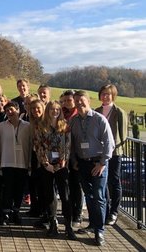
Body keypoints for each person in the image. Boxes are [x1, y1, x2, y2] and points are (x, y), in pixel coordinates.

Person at [70, 90, 115, 246]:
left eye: (81, 100)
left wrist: (102, 163)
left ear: (88, 101)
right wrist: (74, 160)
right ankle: (93, 224)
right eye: (76, 101)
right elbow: (72, 144)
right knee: (89, 196)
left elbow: (109, 143)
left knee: (98, 196)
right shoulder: (73, 121)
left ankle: (99, 231)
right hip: (82, 163)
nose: (79, 103)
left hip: (98, 163)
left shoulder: (99, 119)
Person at [34, 101, 76, 240]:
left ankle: (68, 226)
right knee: (50, 195)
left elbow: (67, 145)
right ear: (47, 111)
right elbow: (38, 145)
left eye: (57, 109)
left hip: (61, 165)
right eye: (52, 109)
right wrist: (46, 163)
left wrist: (62, 162)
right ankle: (53, 223)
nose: (55, 111)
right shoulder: (40, 126)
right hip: (46, 165)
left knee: (65, 195)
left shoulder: (65, 126)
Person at [95, 84, 127, 226]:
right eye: (103, 94)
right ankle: (106, 210)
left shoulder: (119, 112)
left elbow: (123, 136)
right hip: (99, 154)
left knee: (114, 181)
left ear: (113, 95)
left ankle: (114, 211)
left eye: (108, 94)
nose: (105, 96)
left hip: (114, 153)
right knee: (103, 182)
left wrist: (114, 149)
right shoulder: (96, 111)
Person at [0, 101, 31, 226]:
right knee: (7, 190)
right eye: (7, 111)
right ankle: (5, 213)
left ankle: (16, 212)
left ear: (17, 110)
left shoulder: (27, 126)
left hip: (22, 162)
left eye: (11, 109)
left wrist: (30, 163)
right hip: (7, 162)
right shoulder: (1, 126)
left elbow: (31, 144)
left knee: (19, 190)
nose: (9, 112)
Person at [61, 90, 82, 227]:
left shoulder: (78, 115)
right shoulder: (60, 113)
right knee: (65, 186)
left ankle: (77, 215)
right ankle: (67, 213)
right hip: (63, 156)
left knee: (77, 186)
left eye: (69, 100)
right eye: (64, 101)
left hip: (76, 156)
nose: (67, 103)